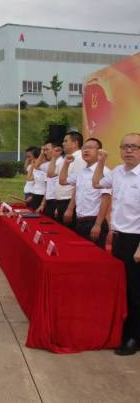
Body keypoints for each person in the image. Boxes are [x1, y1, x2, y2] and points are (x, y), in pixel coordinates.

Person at [93, 133, 140, 356]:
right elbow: (96, 183)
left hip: (137, 241)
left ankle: (134, 337)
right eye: (125, 147)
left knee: (135, 290)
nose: (129, 151)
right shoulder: (118, 172)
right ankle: (125, 331)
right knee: (123, 288)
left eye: (134, 147)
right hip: (120, 237)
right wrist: (101, 162)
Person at [58, 137, 111, 248]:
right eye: (84, 148)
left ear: (99, 151)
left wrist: (97, 224)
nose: (86, 150)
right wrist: (66, 164)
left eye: (90, 148)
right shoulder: (81, 171)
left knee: (95, 258)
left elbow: (106, 199)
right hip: (80, 220)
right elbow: (62, 181)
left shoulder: (104, 171)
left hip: (94, 221)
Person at [46, 131, 86, 227]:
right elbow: (50, 174)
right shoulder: (66, 158)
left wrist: (70, 208)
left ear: (75, 143)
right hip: (60, 201)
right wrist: (54, 158)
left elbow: (78, 185)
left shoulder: (80, 158)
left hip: (69, 201)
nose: (63, 143)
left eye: (66, 141)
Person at [36, 140, 62, 219]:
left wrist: (59, 207)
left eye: (47, 150)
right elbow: (36, 166)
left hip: (58, 202)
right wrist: (42, 204)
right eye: (44, 150)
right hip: (49, 201)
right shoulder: (49, 164)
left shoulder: (63, 163)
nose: (45, 152)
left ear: (56, 150)